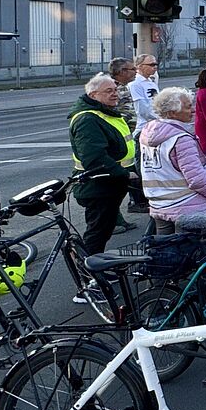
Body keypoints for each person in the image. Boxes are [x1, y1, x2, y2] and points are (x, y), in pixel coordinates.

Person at [68, 74, 136, 274]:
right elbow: (94, 158)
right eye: (109, 91)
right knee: (97, 232)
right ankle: (89, 277)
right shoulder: (87, 119)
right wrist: (124, 174)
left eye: (115, 90)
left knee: (102, 230)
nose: (115, 94)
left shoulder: (103, 113)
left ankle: (95, 269)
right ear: (93, 94)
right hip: (98, 186)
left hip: (109, 184)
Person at [139, 87, 206, 235]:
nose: (193, 110)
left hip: (158, 201)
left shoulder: (146, 133)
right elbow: (196, 179)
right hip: (185, 204)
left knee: (165, 249)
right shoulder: (181, 139)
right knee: (190, 250)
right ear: (173, 112)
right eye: (188, 107)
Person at [110, 57, 150, 217]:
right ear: (121, 72)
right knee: (114, 184)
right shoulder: (112, 88)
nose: (135, 72)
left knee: (129, 175)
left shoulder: (125, 87)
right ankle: (116, 219)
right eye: (132, 69)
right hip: (118, 141)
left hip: (128, 138)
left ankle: (133, 204)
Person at [130, 54, 161, 131]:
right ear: (139, 66)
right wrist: (160, 118)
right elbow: (142, 110)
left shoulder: (151, 82)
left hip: (155, 125)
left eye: (156, 64)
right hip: (144, 127)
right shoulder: (135, 83)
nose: (155, 67)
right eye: (151, 65)